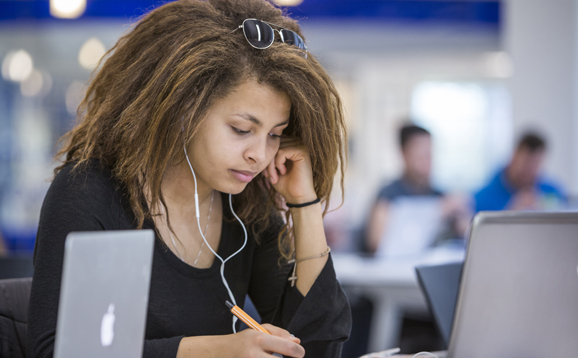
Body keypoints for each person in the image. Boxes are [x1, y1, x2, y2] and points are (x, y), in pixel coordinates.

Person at [27, 1, 351, 357]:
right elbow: (60, 351)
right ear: (182, 110)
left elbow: (316, 346)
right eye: (242, 129)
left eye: (276, 134)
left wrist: (303, 204)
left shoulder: (246, 204)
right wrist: (218, 351)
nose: (260, 154)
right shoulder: (89, 192)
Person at [365, 124, 468, 254]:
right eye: (420, 154)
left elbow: (465, 232)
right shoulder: (388, 195)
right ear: (404, 153)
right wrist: (435, 212)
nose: (426, 160)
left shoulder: (440, 196)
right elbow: (376, 243)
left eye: (429, 154)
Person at [474, 131, 566, 212]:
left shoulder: (552, 192)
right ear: (514, 157)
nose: (530, 170)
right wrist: (511, 214)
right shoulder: (482, 198)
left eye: (536, 164)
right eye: (526, 163)